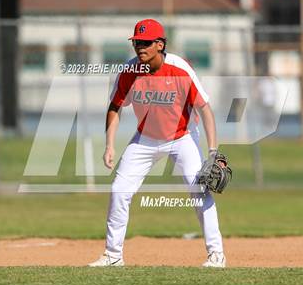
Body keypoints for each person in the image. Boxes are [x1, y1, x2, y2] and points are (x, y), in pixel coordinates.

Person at [89, 19, 226, 268]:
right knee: (119, 190)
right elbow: (115, 107)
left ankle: (216, 254)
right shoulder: (129, 72)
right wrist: (109, 145)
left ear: (160, 44)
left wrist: (213, 151)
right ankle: (113, 255)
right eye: (136, 42)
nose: (139, 47)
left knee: (199, 190)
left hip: (182, 136)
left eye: (145, 42)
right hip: (145, 139)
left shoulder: (180, 69)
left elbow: (205, 109)